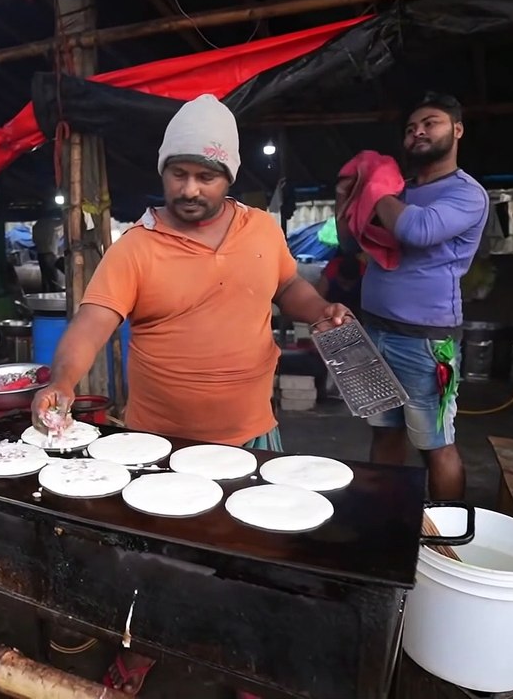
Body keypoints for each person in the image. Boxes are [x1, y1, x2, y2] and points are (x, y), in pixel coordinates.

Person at [31, 94, 349, 696]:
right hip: (160, 446)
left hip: (252, 438)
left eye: (207, 176)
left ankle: (252, 664)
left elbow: (287, 286)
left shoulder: (262, 230)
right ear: (163, 172)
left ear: (229, 176)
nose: (191, 189)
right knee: (154, 561)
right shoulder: (135, 249)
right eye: (179, 174)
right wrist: (62, 381)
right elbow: (92, 324)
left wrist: (320, 310)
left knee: (256, 560)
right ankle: (143, 647)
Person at [349, 92, 488, 501]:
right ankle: (383, 517)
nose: (418, 132)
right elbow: (351, 239)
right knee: (384, 432)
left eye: (430, 123)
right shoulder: (399, 191)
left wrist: (375, 190)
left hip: (424, 341)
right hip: (374, 330)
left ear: (457, 130)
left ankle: (448, 529)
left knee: (434, 443)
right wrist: (351, 196)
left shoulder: (466, 193)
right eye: (411, 129)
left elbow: (418, 231)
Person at [32, 211, 65, 292]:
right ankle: (53, 293)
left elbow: (34, 240)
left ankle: (45, 291)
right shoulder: (50, 222)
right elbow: (63, 221)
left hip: (40, 253)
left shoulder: (36, 225)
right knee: (53, 275)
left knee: (45, 276)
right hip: (50, 253)